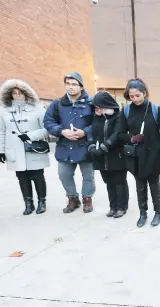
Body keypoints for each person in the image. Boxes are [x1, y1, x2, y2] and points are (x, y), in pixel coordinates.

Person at [117, 79, 160, 227]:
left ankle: (158, 212)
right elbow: (120, 133)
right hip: (136, 155)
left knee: (154, 184)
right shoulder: (126, 111)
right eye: (131, 96)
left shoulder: (155, 109)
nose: (135, 99)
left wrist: (158, 149)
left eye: (138, 95)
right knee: (140, 186)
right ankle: (143, 213)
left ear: (145, 93)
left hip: (153, 154)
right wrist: (132, 138)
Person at [43, 72, 95, 213]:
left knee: (88, 176)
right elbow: (48, 121)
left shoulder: (91, 103)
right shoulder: (57, 104)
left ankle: (87, 199)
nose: (70, 87)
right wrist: (61, 131)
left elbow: (99, 123)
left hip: (85, 146)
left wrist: (85, 132)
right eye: (68, 84)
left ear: (81, 87)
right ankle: (73, 198)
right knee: (64, 174)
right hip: (65, 146)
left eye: (74, 84)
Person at [0, 79, 50, 215]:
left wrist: (30, 136)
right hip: (15, 149)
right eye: (14, 93)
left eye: (20, 93)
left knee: (38, 176)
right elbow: (2, 131)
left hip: (34, 149)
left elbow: (47, 129)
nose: (18, 96)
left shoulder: (38, 108)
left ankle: (42, 201)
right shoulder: (4, 110)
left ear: (27, 93)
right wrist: (1, 150)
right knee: (22, 177)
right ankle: (28, 203)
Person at [89, 91, 129, 218]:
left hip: (116, 155)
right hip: (101, 157)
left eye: (100, 107)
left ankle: (122, 207)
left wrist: (106, 145)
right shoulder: (96, 118)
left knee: (119, 182)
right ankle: (113, 206)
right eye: (96, 108)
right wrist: (91, 145)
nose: (98, 110)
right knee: (109, 183)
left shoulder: (118, 117)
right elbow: (92, 133)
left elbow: (117, 134)